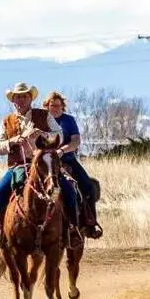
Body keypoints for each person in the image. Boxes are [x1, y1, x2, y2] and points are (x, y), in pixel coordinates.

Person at [0, 81, 76, 249]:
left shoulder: (44, 115)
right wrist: (14, 141)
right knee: (0, 190)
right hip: (17, 166)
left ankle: (72, 228)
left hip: (44, 164)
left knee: (67, 188)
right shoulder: (7, 121)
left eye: (25, 96)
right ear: (13, 100)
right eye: (18, 97)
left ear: (30, 98)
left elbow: (59, 135)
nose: (21, 100)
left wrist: (43, 134)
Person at [44, 91, 103, 239]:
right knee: (53, 188)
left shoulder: (68, 120)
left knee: (87, 186)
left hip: (68, 159)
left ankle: (91, 222)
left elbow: (75, 141)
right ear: (47, 106)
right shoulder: (42, 120)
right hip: (48, 161)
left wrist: (62, 151)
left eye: (58, 105)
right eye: (52, 105)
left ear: (62, 107)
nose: (55, 108)